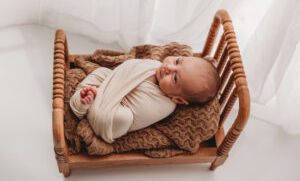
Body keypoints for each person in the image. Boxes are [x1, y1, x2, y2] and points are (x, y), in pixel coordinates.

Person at [70, 56, 220, 143]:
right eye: (177, 61)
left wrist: (103, 93)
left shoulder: (164, 106)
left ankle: (85, 103)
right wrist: (109, 84)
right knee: (101, 72)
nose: (169, 68)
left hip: (114, 111)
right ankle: (89, 99)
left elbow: (137, 111)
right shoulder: (155, 65)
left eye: (175, 78)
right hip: (112, 86)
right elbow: (125, 69)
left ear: (178, 99)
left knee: (123, 118)